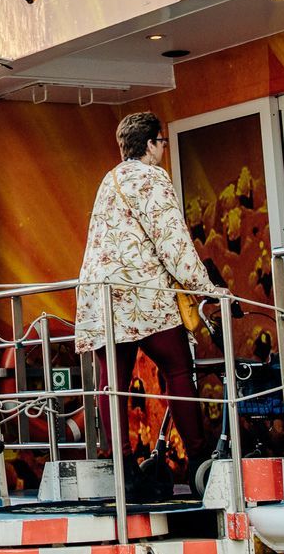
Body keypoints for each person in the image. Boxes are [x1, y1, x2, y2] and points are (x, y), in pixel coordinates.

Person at [74, 111, 229, 476]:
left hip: (100, 297)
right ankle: (199, 461)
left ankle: (122, 464)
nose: (163, 150)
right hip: (142, 294)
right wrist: (205, 287)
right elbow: (171, 241)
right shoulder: (151, 178)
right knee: (178, 368)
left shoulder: (108, 180)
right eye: (162, 142)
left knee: (112, 383)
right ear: (149, 144)